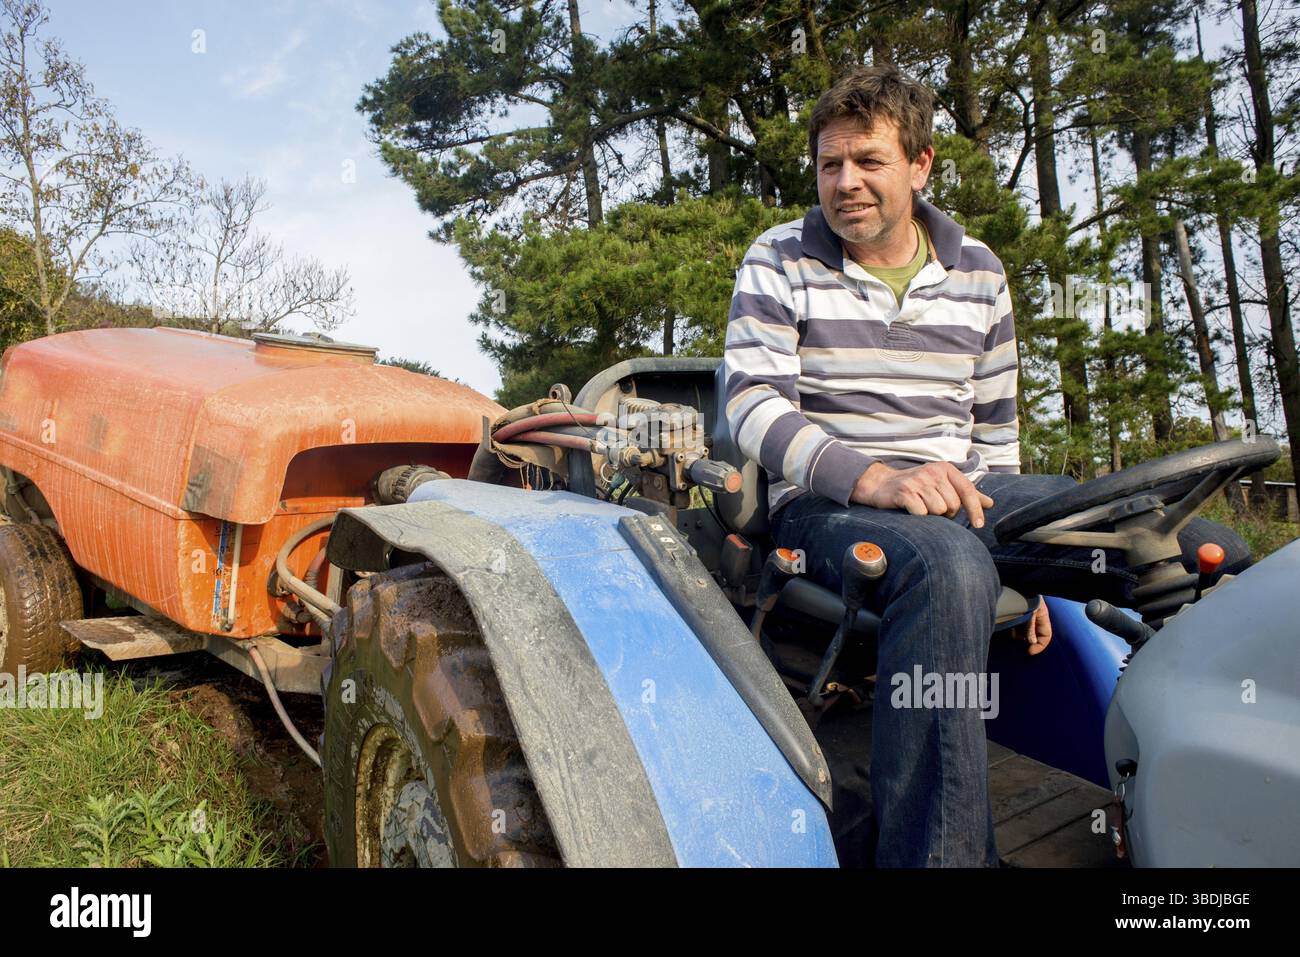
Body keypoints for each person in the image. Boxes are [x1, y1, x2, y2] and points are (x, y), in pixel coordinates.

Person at [721, 64, 1251, 867]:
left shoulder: (979, 269)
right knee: (951, 565)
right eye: (831, 164)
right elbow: (753, 404)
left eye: (868, 161)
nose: (845, 182)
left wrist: (1035, 575)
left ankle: (1215, 822)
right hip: (827, 507)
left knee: (1186, 540)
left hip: (964, 493)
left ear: (921, 164)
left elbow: (995, 434)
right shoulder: (779, 259)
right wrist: (873, 478)